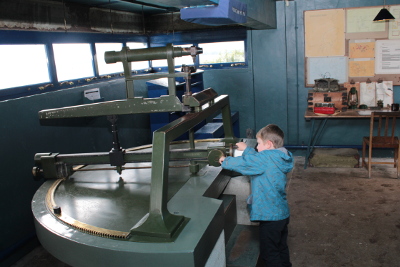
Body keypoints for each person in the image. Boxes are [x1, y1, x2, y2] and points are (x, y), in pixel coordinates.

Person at [219, 124, 294, 267]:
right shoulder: (280, 156)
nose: (257, 148)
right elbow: (258, 159)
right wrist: (246, 149)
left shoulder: (264, 159)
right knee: (281, 247)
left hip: (269, 216)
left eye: (258, 144)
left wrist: (225, 160)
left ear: (269, 144)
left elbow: (246, 164)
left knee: (269, 254)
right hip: (281, 215)